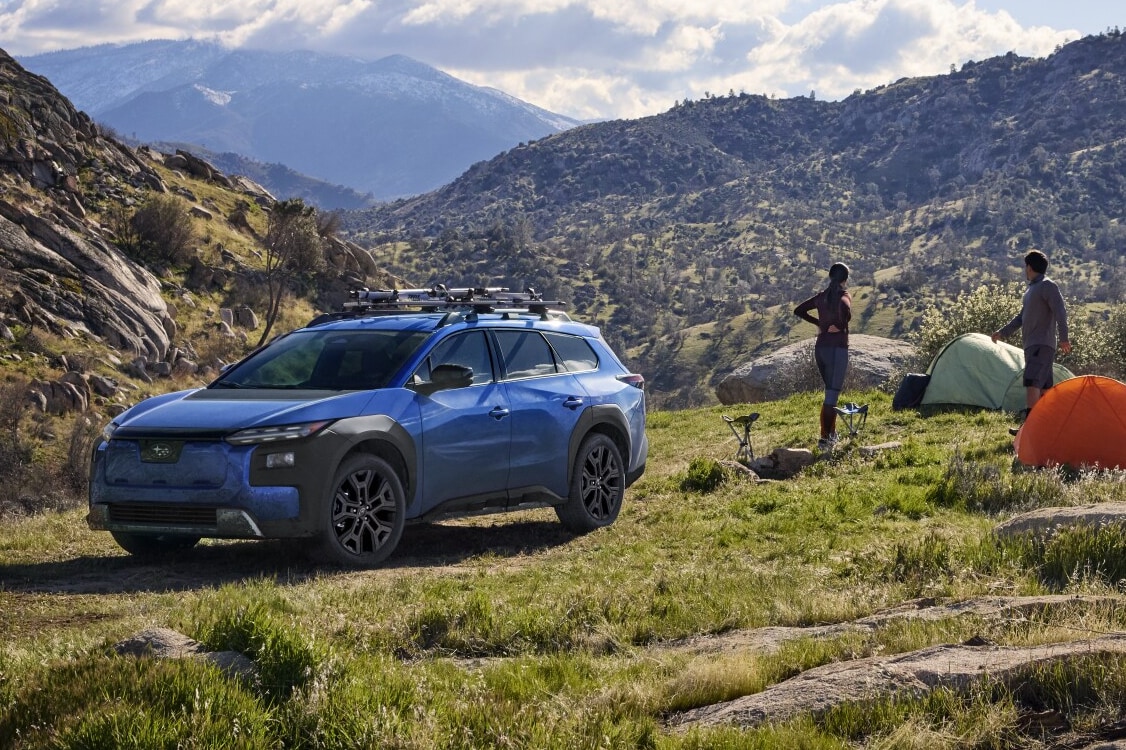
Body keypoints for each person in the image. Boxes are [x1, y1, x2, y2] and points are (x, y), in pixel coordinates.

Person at [991, 250, 1071, 433]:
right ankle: (1048, 426)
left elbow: (1060, 312)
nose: (1024, 269)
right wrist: (1002, 333)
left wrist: (1064, 338)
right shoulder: (1031, 290)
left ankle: (1030, 427)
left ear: (1029, 267)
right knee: (1044, 386)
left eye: (1025, 266)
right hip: (1033, 345)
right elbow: (1021, 317)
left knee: (1032, 383)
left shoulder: (1047, 286)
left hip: (1041, 344)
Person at [794, 262, 852, 451]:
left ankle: (829, 435)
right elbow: (846, 311)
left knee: (829, 393)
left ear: (830, 277)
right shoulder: (843, 296)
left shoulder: (821, 297)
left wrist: (820, 323)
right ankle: (825, 441)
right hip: (837, 349)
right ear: (845, 279)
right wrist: (841, 325)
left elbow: (799, 310)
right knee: (832, 395)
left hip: (821, 349)